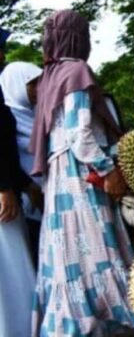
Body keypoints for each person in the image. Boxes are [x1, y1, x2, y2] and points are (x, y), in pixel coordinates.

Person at [29, 9, 134, 336]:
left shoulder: (50, 76)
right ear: (77, 38)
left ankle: (72, 320)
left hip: (59, 177)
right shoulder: (75, 70)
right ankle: (109, 314)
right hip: (79, 173)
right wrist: (109, 170)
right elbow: (79, 134)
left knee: (71, 251)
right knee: (94, 242)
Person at [0, 78, 37, 337]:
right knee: (11, 272)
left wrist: (25, 185)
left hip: (9, 192)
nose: (2, 55)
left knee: (16, 270)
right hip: (2, 198)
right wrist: (3, 188)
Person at [0, 61, 44, 262]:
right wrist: (5, 188)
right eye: (31, 84)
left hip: (38, 198)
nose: (38, 89)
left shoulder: (41, 115)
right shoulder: (8, 115)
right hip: (16, 201)